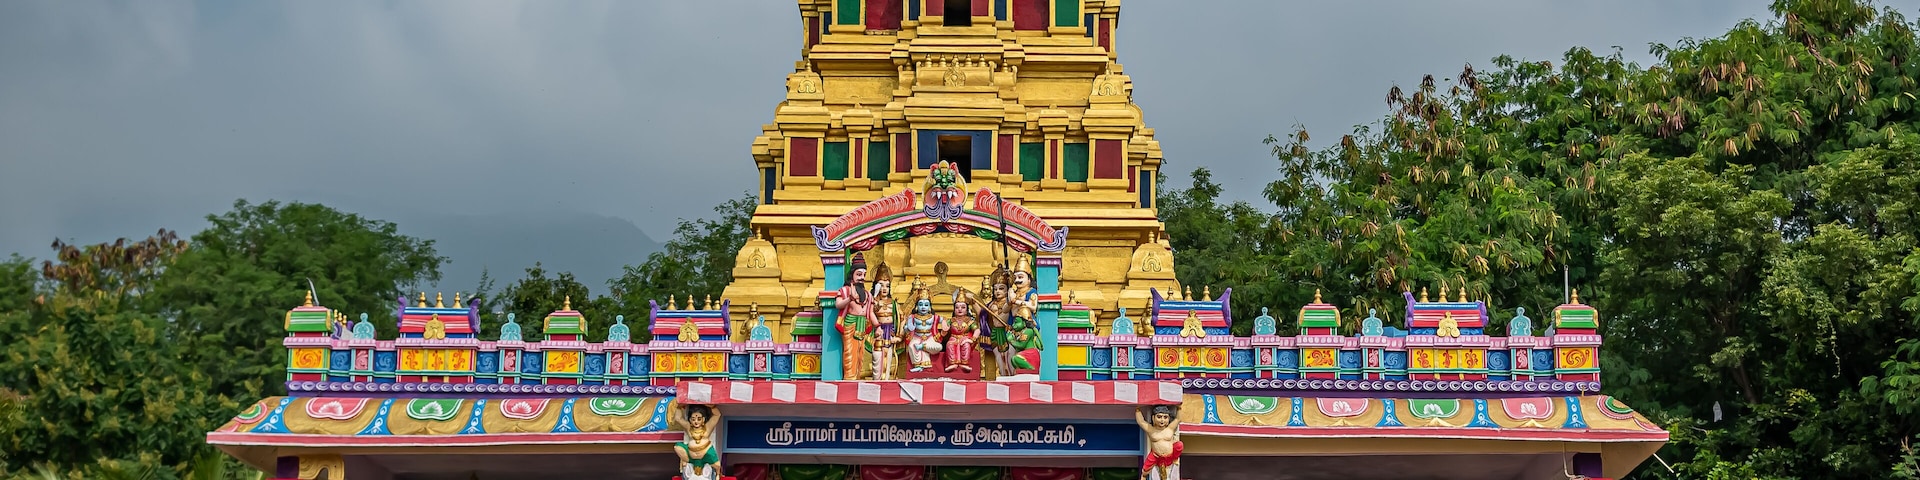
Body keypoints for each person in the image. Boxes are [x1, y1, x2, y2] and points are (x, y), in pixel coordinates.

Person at [834, 253, 876, 380]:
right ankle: (849, 378)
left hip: (862, 324)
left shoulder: (867, 294)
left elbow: (871, 312)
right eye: (859, 274)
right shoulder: (845, 290)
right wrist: (849, 299)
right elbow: (838, 305)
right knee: (849, 352)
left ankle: (856, 377)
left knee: (860, 353)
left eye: (864, 274)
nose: (862, 278)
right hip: (850, 323)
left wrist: (878, 327)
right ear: (852, 274)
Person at [903, 278, 945, 372]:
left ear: (930, 307)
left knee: (939, 347)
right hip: (917, 336)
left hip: (929, 337)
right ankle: (918, 365)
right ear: (917, 306)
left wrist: (946, 325)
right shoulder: (913, 317)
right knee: (911, 345)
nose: (923, 307)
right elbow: (908, 327)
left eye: (926, 305)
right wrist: (907, 328)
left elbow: (945, 321)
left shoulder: (934, 317)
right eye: (921, 304)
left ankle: (922, 347)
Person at [675, 404, 722, 479]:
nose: (696, 422)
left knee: (717, 465)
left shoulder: (707, 427)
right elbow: (678, 419)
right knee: (677, 447)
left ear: (703, 419)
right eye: (693, 419)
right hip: (691, 455)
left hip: (705, 453)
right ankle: (685, 461)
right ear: (690, 420)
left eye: (699, 419)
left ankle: (718, 474)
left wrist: (712, 407)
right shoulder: (689, 427)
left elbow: (717, 415)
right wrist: (679, 407)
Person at [870, 263, 899, 380]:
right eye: (881, 285)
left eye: (887, 286)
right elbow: (871, 311)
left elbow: (901, 318)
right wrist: (875, 296)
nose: (884, 288)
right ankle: (876, 379)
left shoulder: (893, 303)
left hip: (890, 331)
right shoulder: (874, 302)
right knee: (877, 357)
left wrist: (899, 335)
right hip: (878, 331)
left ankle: (886, 380)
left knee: (888, 356)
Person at [1136, 405, 1182, 480]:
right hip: (1156, 456)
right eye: (1159, 417)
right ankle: (1143, 476)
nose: (1162, 420)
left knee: (1179, 445)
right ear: (1153, 418)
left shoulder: (1170, 428)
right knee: (1145, 470)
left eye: (1165, 417)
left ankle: (1175, 459)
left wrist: (1179, 408)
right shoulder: (1151, 429)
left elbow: (1178, 419)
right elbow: (1141, 422)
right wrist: (1137, 410)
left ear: (1168, 418)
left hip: (1171, 456)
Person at [945, 289, 980, 373]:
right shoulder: (951, 320)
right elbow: (945, 328)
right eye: (957, 307)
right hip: (953, 338)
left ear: (967, 309)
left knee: (966, 345)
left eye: (963, 307)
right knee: (949, 345)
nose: (960, 309)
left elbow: (977, 330)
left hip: (965, 337)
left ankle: (964, 363)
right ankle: (952, 363)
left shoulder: (969, 321)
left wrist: (972, 339)